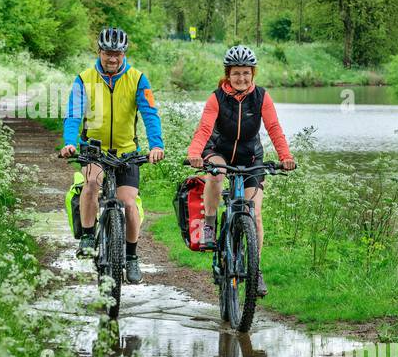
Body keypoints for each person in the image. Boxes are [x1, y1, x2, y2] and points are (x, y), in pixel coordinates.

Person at [185, 45, 296, 292]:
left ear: (252, 73)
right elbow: (204, 129)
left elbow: (274, 128)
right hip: (219, 151)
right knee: (216, 175)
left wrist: (285, 156)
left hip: (251, 155)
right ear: (228, 74)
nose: (241, 78)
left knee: (254, 213)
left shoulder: (261, 97)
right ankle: (210, 226)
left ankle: (255, 271)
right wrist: (194, 153)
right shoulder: (216, 98)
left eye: (246, 73)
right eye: (236, 73)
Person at [60, 27, 166, 283]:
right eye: (108, 53)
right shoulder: (84, 79)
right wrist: (70, 143)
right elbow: (73, 114)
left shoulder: (138, 79)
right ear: (99, 52)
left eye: (117, 54)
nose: (113, 58)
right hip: (93, 149)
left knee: (129, 203)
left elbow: (149, 114)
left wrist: (156, 145)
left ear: (123, 54)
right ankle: (87, 236)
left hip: (126, 152)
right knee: (91, 184)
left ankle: (131, 257)